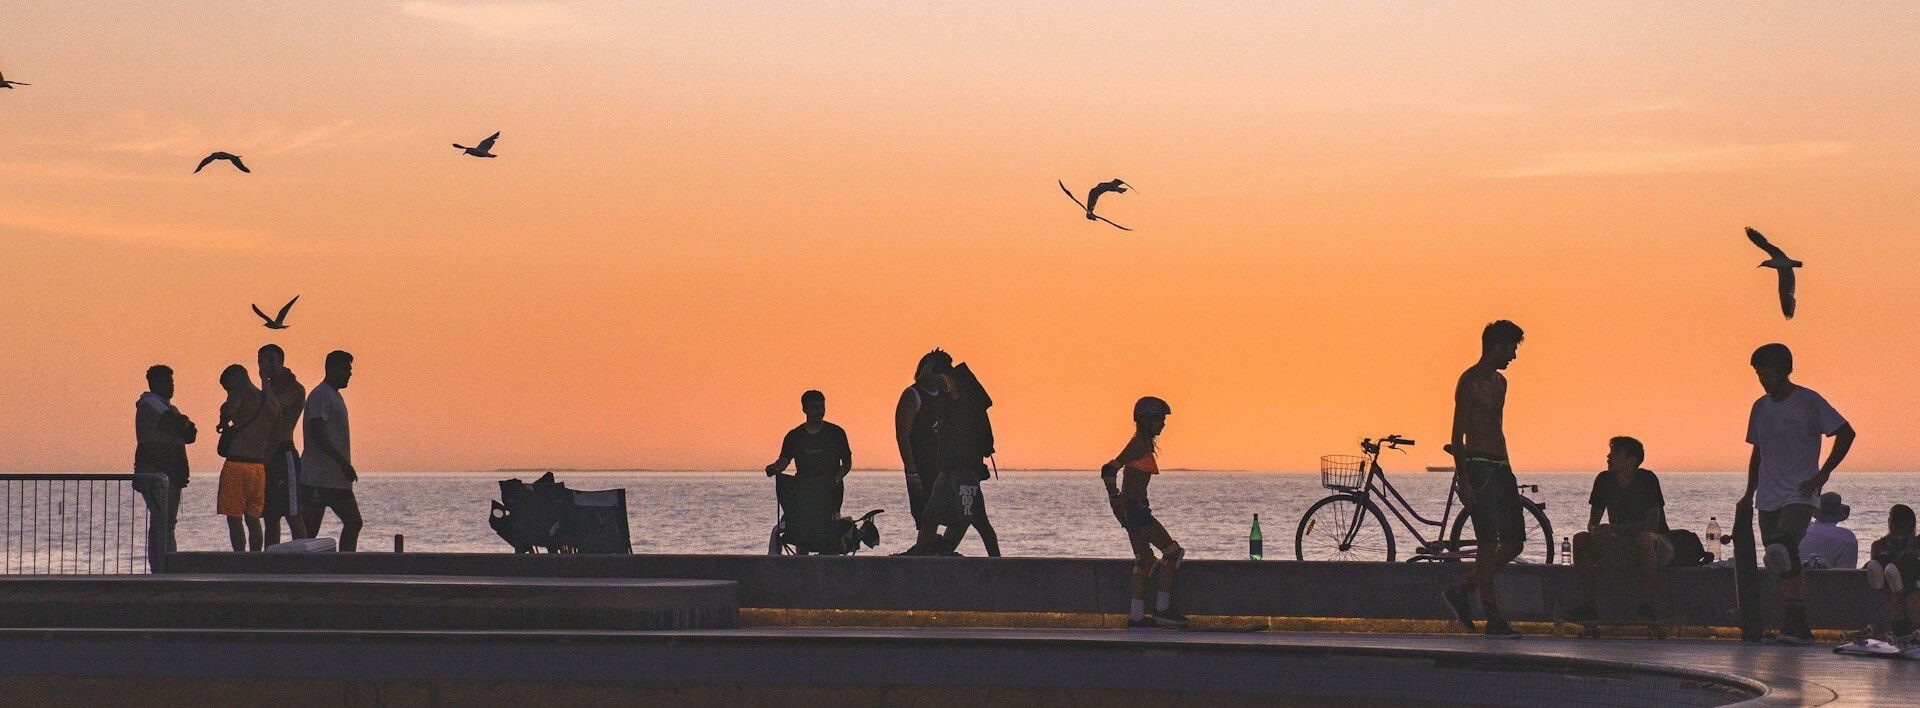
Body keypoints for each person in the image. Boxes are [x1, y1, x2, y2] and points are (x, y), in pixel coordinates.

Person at [1742, 342, 1856, 644]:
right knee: (1779, 560)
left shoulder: (1808, 401)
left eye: (1766, 373)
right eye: (1758, 374)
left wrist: (1823, 473)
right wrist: (1748, 493)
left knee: (1783, 545)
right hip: (1767, 494)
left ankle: (1794, 625)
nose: (1763, 380)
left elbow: (1846, 432)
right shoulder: (1760, 407)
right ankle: (1797, 625)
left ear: (1784, 370)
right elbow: (1758, 453)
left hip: (1800, 491)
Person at [1442, 320, 1526, 637]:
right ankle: (1493, 617)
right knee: (1488, 543)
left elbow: (1497, 426)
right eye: (1511, 348)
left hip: (1501, 465)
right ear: (1497, 346)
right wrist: (1463, 478)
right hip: (1477, 465)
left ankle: (1465, 589)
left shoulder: (1501, 383)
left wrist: (1506, 464)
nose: (1513, 356)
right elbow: (1457, 433)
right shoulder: (1470, 381)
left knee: (1515, 542)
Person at [1563, 437, 1672, 623]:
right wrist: (1596, 530)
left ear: (1632, 460)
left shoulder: (1647, 479)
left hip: (1657, 545)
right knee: (1580, 539)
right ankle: (1590, 607)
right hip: (1622, 544)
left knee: (1645, 538)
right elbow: (1593, 521)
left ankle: (1646, 609)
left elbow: (1652, 525)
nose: (1608, 457)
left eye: (1615, 453)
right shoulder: (1603, 480)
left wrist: (1615, 529)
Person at [1102, 396, 1186, 628]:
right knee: (1172, 553)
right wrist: (1114, 497)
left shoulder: (1143, 442)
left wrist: (1119, 507)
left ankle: (1136, 616)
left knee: (1145, 560)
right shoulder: (1139, 443)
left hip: (1132, 511)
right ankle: (1162, 609)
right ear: (1146, 420)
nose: (1163, 424)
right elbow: (1109, 469)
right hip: (1137, 511)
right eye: (1159, 419)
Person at [913, 363, 1001, 557]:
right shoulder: (957, 383)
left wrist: (929, 364)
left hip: (964, 468)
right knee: (930, 516)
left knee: (977, 519)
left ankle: (997, 562)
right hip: (949, 467)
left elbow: (927, 379)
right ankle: (921, 556)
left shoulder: (954, 381)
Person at [299, 350, 361, 551]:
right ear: (332, 368)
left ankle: (345, 566)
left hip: (335, 479)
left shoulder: (335, 396)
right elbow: (318, 432)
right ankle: (296, 569)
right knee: (309, 532)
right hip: (317, 478)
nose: (349, 374)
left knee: (354, 522)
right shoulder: (320, 395)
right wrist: (343, 463)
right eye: (346, 369)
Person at [133, 365, 196, 553]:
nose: (172, 386)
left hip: (168, 474)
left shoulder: (166, 407)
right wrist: (182, 421)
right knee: (164, 523)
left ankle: (162, 566)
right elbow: (179, 427)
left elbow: (190, 434)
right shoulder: (151, 405)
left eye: (172, 382)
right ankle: (163, 566)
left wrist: (181, 422)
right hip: (156, 472)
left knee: (164, 523)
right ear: (155, 383)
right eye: (168, 381)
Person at [214, 364, 277, 552]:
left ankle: (240, 558)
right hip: (258, 468)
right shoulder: (266, 399)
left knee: (234, 518)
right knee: (253, 518)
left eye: (227, 388)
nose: (227, 392)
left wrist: (223, 420)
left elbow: (229, 410)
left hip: (237, 464)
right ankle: (256, 558)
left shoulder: (240, 393)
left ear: (234, 382)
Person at [894, 349, 951, 552]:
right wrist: (911, 471)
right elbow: (903, 434)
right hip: (921, 467)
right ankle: (923, 553)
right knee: (925, 516)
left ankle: (934, 550)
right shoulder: (912, 395)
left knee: (948, 514)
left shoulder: (945, 395)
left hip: (942, 467)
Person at [258, 344, 308, 545]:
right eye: (260, 361)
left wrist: (264, 382)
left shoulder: (295, 389)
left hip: (284, 453)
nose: (264, 366)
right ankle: (271, 558)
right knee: (270, 516)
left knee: (292, 512)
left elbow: (274, 408)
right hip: (267, 456)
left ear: (279, 362)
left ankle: (302, 558)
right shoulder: (268, 390)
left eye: (268, 360)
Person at [766, 390, 852, 482]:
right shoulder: (794, 436)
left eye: (822, 407)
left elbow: (847, 463)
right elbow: (784, 461)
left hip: (831, 492)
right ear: (805, 409)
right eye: (814, 408)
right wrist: (774, 468)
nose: (819, 411)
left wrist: (836, 479)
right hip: (804, 491)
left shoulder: (836, 433)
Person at [1862, 504, 1919, 644]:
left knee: (1891, 585)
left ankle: (1892, 572)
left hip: (1887, 594)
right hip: (1913, 587)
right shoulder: (1918, 543)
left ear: (1890, 523)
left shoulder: (1878, 545)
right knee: (1908, 569)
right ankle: (1896, 572)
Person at [1801, 492, 1859, 570]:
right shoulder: (1847, 538)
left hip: (1798, 579)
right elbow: (1846, 572)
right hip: (1830, 580)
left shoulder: (1802, 531)